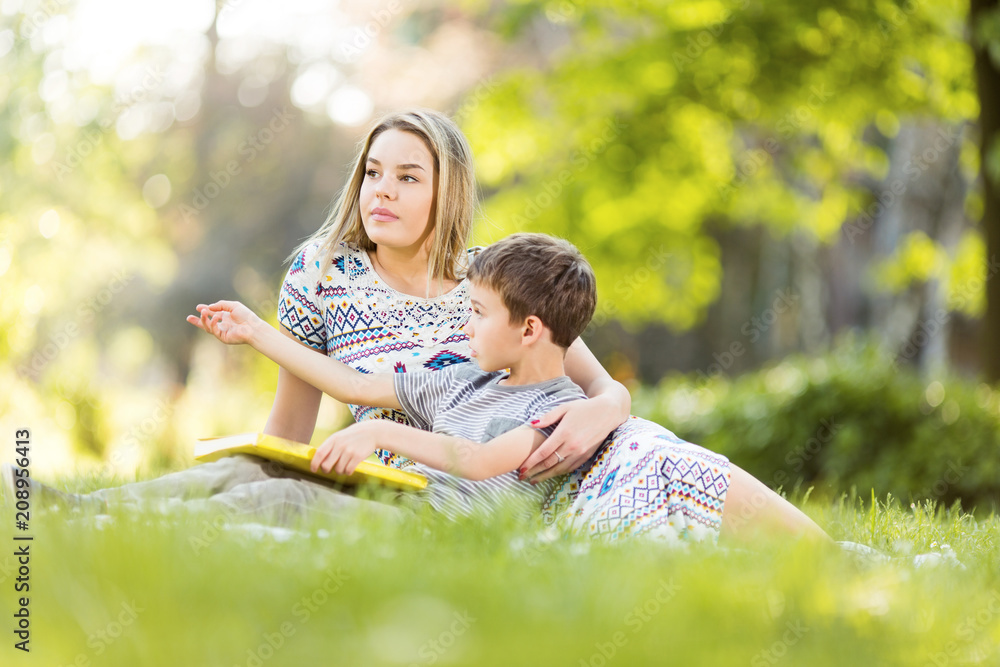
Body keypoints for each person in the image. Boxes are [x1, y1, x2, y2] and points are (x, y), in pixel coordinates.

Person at [0, 108, 628, 526]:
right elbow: (297, 423)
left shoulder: (491, 283)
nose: (381, 189)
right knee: (254, 470)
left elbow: (588, 378)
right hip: (369, 477)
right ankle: (81, 512)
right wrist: (268, 461)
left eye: (408, 177)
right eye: (373, 172)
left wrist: (608, 404)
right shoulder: (322, 272)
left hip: (448, 501)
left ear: (449, 192)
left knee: (278, 492)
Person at [190, 233, 831, 545]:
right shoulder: (454, 381)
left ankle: (830, 556)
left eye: (475, 312)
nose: (460, 323)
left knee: (659, 458)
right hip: (425, 510)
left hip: (493, 523)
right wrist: (256, 332)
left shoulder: (558, 410)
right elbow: (347, 381)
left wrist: (380, 432)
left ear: (529, 328)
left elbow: (484, 462)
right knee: (249, 484)